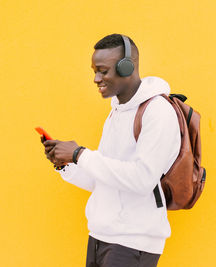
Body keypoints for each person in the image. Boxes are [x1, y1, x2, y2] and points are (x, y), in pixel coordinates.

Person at [42, 33, 180, 267]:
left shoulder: (157, 112)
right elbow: (105, 180)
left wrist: (80, 154)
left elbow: (142, 179)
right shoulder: (117, 111)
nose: (96, 78)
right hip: (101, 237)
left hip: (132, 242)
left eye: (103, 71)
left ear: (127, 67)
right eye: (94, 71)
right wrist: (67, 164)